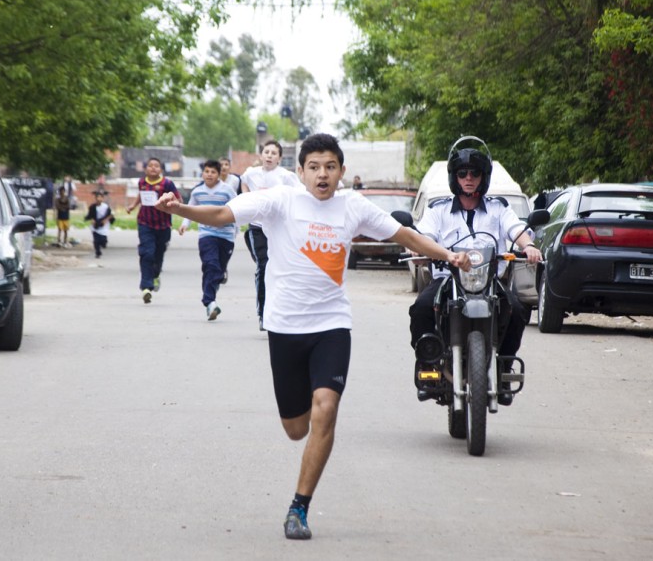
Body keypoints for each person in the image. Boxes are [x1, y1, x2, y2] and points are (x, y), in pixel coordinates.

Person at [155, 133, 470, 541]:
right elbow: (221, 216)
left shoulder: (352, 206)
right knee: (295, 428)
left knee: (326, 408)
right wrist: (180, 208)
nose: (322, 175)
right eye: (314, 167)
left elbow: (403, 236)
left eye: (330, 167)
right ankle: (303, 407)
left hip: (331, 327)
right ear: (300, 172)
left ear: (341, 171)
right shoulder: (279, 201)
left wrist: (447, 255)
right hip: (285, 328)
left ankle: (298, 507)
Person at [408, 138, 542, 405]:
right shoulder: (439, 210)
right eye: (462, 173)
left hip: (489, 281)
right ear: (454, 177)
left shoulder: (498, 208)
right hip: (448, 280)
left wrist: (529, 247)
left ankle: (503, 370)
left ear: (484, 176)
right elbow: (424, 238)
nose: (468, 178)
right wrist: (418, 252)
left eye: (474, 173)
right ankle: (430, 366)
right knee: (421, 308)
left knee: (516, 310)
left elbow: (517, 231)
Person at [239, 140, 301, 330]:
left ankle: (284, 310)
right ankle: (263, 314)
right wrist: (247, 199)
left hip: (279, 228)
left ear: (280, 158)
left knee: (281, 267)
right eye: (266, 152)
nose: (269, 156)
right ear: (261, 155)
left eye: (274, 153)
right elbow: (243, 182)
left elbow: (298, 195)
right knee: (264, 266)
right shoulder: (252, 174)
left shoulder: (286, 177)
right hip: (258, 227)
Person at [178, 160, 237, 320]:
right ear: (202, 173)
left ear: (219, 175)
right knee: (211, 265)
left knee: (217, 271)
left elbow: (237, 209)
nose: (209, 174)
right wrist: (185, 224)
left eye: (213, 172)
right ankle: (210, 302)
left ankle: (211, 293)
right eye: (207, 171)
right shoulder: (197, 192)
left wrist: (236, 231)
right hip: (206, 235)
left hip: (226, 236)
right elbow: (190, 209)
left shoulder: (227, 190)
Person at [126, 157, 178, 304]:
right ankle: (146, 287)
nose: (153, 168)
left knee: (158, 253)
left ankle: (155, 275)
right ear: (145, 169)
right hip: (145, 222)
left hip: (163, 225)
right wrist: (132, 206)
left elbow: (178, 199)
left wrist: (171, 204)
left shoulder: (167, 183)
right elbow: (141, 196)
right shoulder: (142, 182)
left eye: (156, 166)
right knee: (146, 252)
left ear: (160, 169)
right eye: (150, 166)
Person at [84, 190, 114, 259]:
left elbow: (111, 215)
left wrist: (105, 220)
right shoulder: (92, 207)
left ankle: (104, 243)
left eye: (100, 197)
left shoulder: (106, 207)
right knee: (96, 241)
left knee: (103, 240)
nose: (99, 199)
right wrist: (92, 220)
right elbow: (90, 215)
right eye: (97, 197)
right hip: (95, 225)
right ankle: (98, 252)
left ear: (103, 198)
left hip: (103, 225)